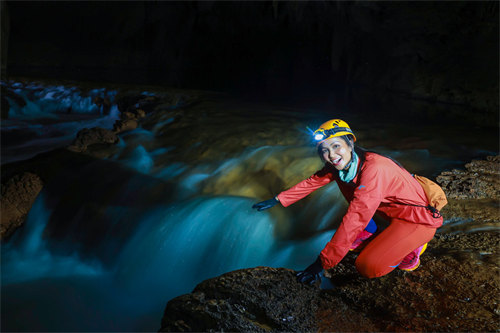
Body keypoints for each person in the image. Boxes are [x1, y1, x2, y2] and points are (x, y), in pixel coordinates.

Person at [252, 119, 443, 285]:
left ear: (350, 142)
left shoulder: (375, 168)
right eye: (324, 150)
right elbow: (315, 180)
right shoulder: (345, 164)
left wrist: (321, 264)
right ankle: (370, 230)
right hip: (389, 210)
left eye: (336, 146)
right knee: (342, 181)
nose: (331, 155)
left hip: (417, 219)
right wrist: (279, 199)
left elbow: (356, 216)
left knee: (368, 267)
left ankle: (414, 247)